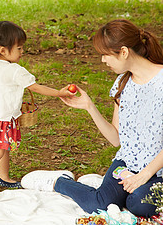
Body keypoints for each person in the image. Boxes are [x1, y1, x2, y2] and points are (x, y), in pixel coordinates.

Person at [21, 19, 163, 218]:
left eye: (106, 55)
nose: (103, 60)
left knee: (140, 204)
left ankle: (112, 187)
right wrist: (89, 107)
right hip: (127, 164)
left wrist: (144, 176)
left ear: (123, 52)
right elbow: (116, 139)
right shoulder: (123, 84)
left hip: (157, 171)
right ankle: (59, 182)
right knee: (100, 204)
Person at [0, 21, 74, 194]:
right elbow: (36, 87)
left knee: (3, 148)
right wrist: (59, 93)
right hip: (2, 118)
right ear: (3, 50)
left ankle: (4, 177)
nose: (22, 52)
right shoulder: (15, 70)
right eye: (19, 48)